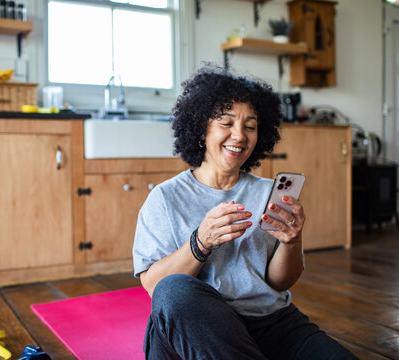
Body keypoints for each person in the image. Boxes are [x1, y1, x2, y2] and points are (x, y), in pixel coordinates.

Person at [132, 65, 358, 360]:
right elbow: (155, 288)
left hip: (270, 321)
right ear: (202, 127)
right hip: (196, 326)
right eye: (226, 123)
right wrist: (200, 242)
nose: (239, 135)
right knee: (174, 290)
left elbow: (279, 282)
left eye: (250, 126)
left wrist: (292, 241)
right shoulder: (165, 197)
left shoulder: (268, 193)